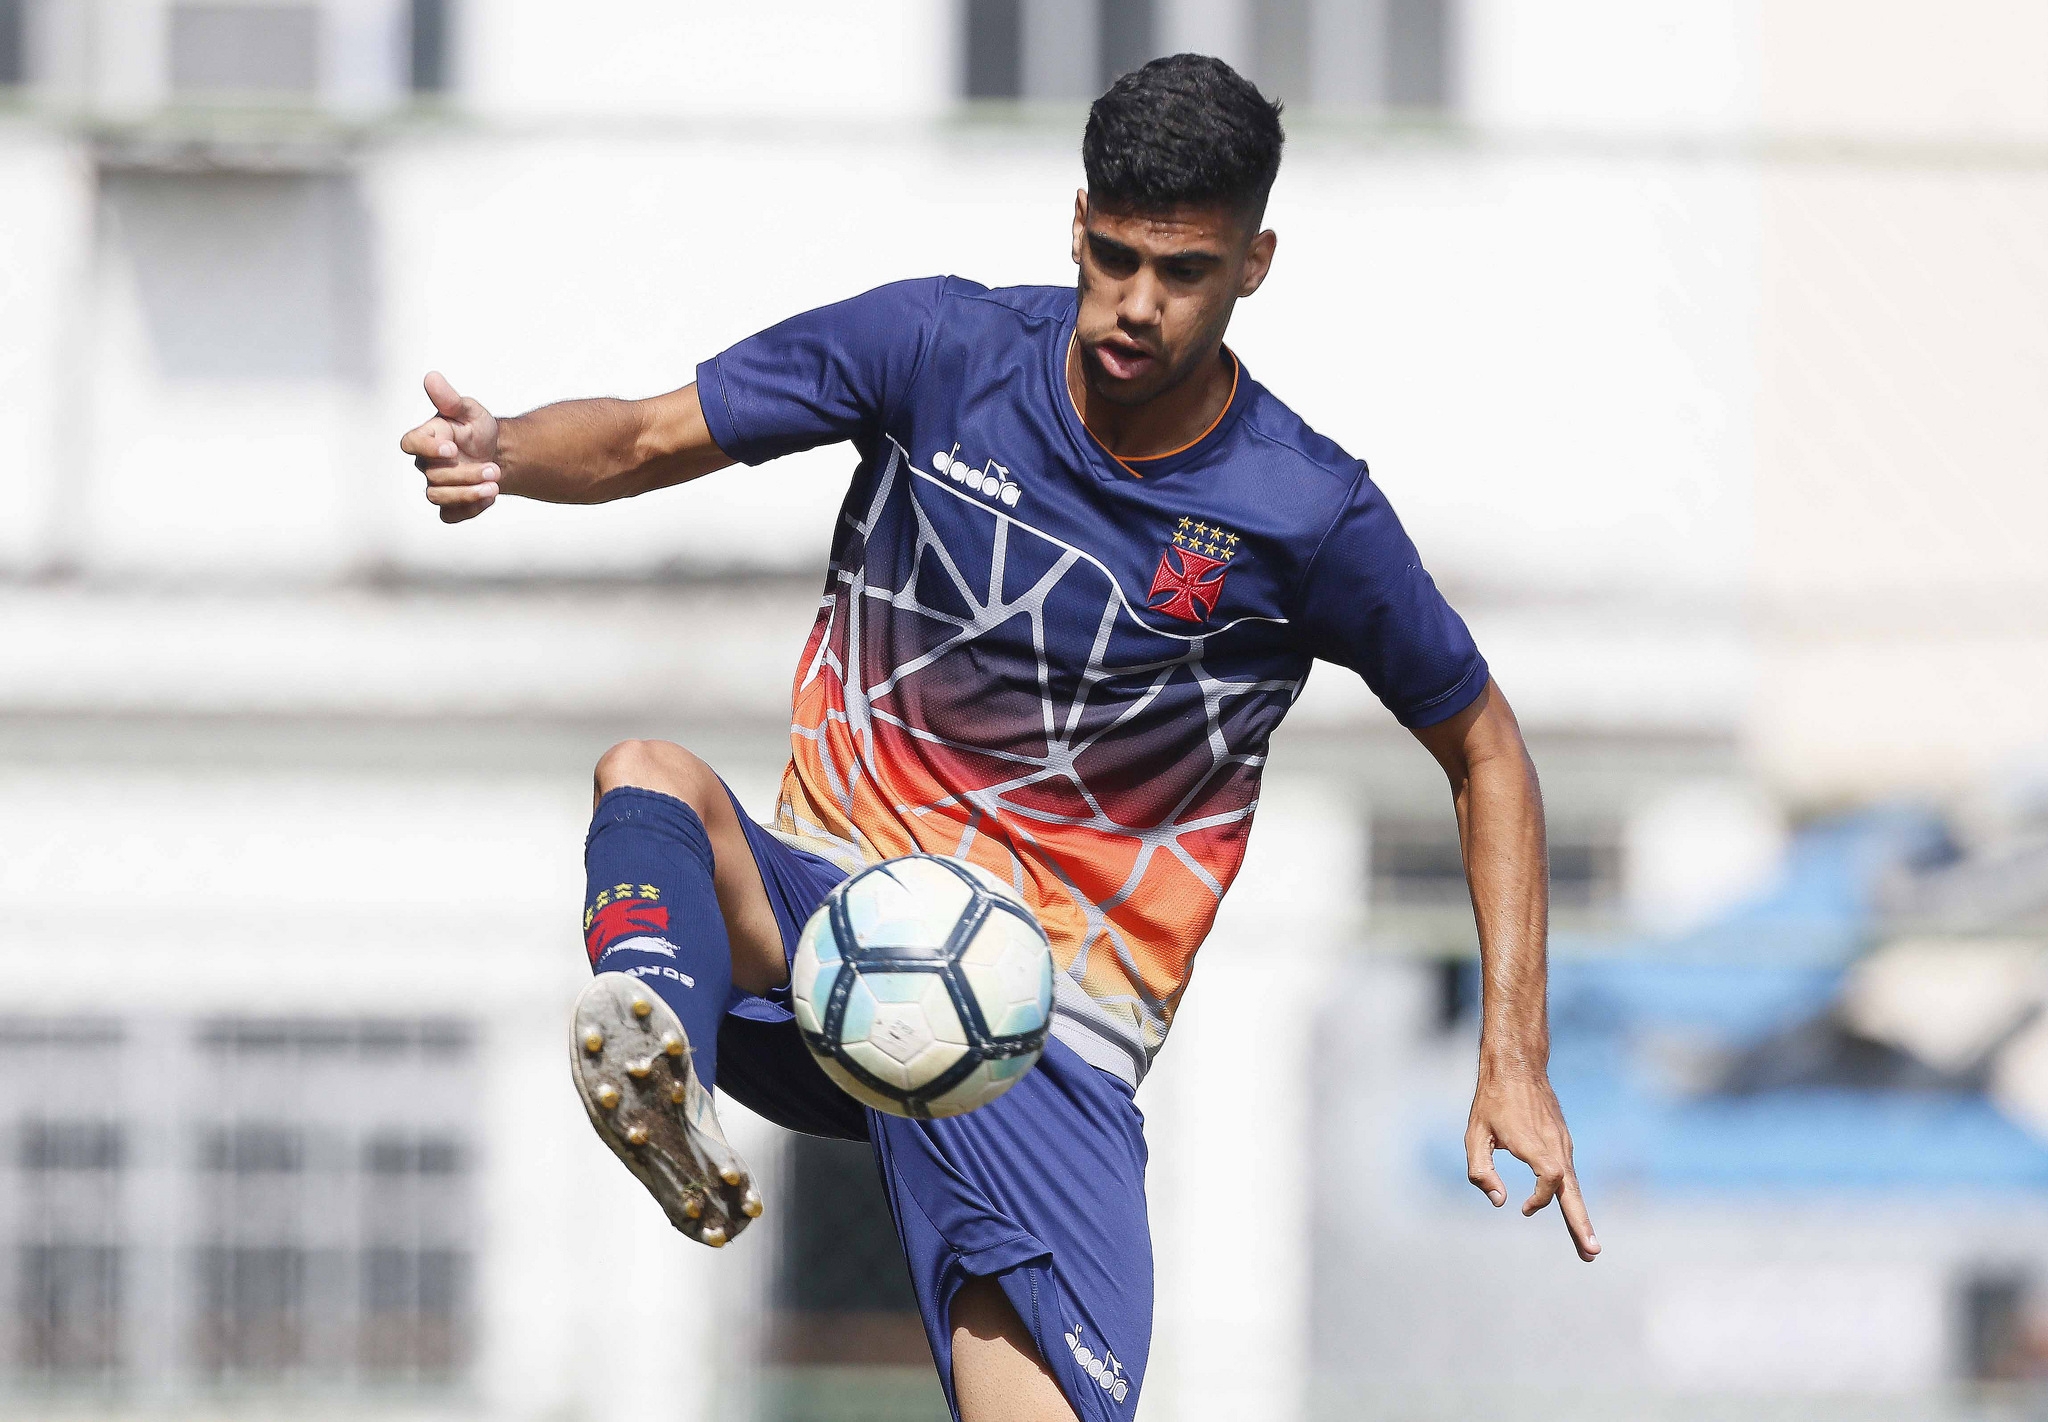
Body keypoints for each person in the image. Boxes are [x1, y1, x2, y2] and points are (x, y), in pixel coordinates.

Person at [400, 53, 1597, 1422]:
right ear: (1075, 223)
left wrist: (1513, 1053)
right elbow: (645, 436)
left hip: (1051, 1029)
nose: (1137, 303)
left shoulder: (1306, 513)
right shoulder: (938, 349)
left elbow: (1486, 748)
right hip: (831, 931)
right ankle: (664, 1040)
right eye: (1115, 256)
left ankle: (698, 1043)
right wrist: (505, 450)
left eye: (1184, 272)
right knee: (649, 779)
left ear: (1254, 265)